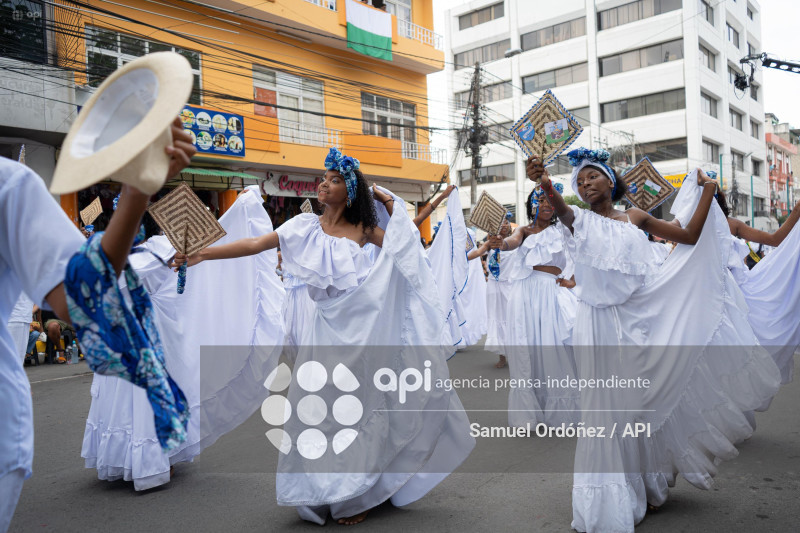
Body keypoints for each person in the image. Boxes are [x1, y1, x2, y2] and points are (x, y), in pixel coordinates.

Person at [173, 148, 474, 526]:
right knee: (317, 412)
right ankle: (320, 489)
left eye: (334, 180)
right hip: (324, 331)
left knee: (356, 409)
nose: (324, 184)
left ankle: (357, 493)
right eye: (324, 178)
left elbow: (406, 248)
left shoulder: (365, 230)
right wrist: (203, 254)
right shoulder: (302, 227)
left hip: (363, 332)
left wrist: (385, 199)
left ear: (350, 191)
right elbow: (255, 245)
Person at [526, 149, 781, 533]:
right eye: (579, 181)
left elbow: (690, 237)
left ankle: (646, 482)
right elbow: (561, 210)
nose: (585, 183)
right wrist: (546, 184)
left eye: (592, 176)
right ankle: (609, 499)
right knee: (606, 413)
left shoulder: (636, 218)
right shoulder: (578, 220)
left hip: (638, 321)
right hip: (597, 326)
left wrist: (708, 190)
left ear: (610, 180)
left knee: (640, 405)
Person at [83, 184, 286, 491]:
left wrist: (242, 206)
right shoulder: (120, 253)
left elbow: (213, 242)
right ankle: (135, 457)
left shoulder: (159, 247)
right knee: (126, 399)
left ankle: (154, 457)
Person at [674, 192, 800, 384]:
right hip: (700, 295)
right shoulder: (687, 227)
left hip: (730, 295)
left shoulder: (729, 224)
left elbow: (774, 240)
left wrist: (797, 211)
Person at [488, 185, 579, 428]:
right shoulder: (524, 231)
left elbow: (582, 254)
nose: (547, 205)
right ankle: (530, 414)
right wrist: (501, 244)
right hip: (525, 293)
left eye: (551, 201)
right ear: (532, 206)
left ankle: (559, 414)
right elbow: (512, 242)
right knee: (527, 350)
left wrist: (574, 280)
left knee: (553, 349)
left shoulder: (563, 230)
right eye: (541, 201)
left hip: (551, 292)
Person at [484, 219, 513, 368]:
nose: (504, 225)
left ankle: (516, 355)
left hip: (510, 286)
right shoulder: (490, 244)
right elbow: (477, 253)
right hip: (494, 287)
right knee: (497, 319)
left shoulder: (516, 241)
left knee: (512, 319)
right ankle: (502, 357)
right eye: (501, 222)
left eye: (506, 222)